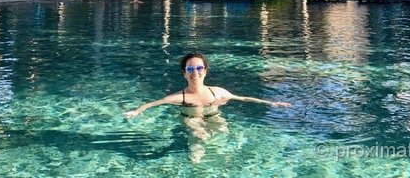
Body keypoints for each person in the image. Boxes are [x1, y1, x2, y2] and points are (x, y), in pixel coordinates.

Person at [124, 52, 290, 119]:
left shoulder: (216, 92)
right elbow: (153, 103)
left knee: (223, 134)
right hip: (191, 119)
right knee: (198, 138)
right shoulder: (180, 97)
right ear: (184, 73)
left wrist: (272, 103)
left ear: (205, 71)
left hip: (214, 116)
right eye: (190, 68)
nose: (195, 72)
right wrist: (137, 111)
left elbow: (243, 98)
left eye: (198, 68)